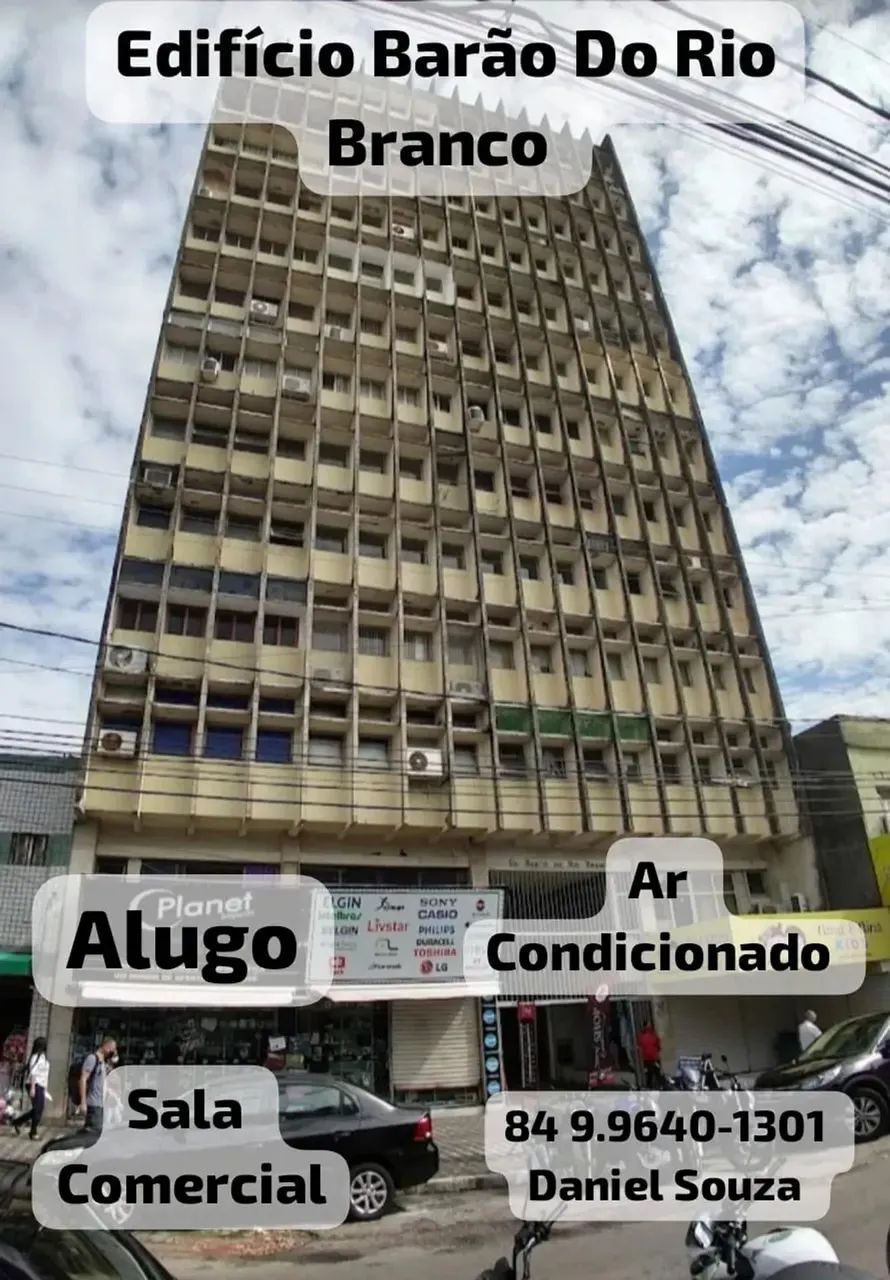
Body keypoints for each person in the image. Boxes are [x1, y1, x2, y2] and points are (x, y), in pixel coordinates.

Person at [78, 1037, 116, 1133]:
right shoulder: (92, 1059)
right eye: (112, 1049)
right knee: (94, 1133)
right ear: (106, 1046)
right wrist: (83, 1102)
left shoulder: (102, 1062)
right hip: (93, 1103)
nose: (113, 1052)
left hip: (100, 1104)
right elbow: (83, 1079)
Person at [13, 1037, 49, 1140]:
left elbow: (44, 1075)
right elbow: (33, 1073)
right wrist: (33, 1087)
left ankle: (18, 1122)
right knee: (38, 1109)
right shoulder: (35, 1057)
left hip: (41, 1085)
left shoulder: (43, 1057)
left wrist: (45, 1088)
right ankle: (33, 1133)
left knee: (38, 1109)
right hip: (34, 1084)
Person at [636, 1022, 662, 1088]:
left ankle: (649, 1086)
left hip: (647, 1059)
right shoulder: (654, 1035)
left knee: (649, 1074)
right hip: (654, 1058)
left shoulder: (641, 1036)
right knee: (657, 1072)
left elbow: (639, 1046)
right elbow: (659, 1046)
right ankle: (659, 1085)